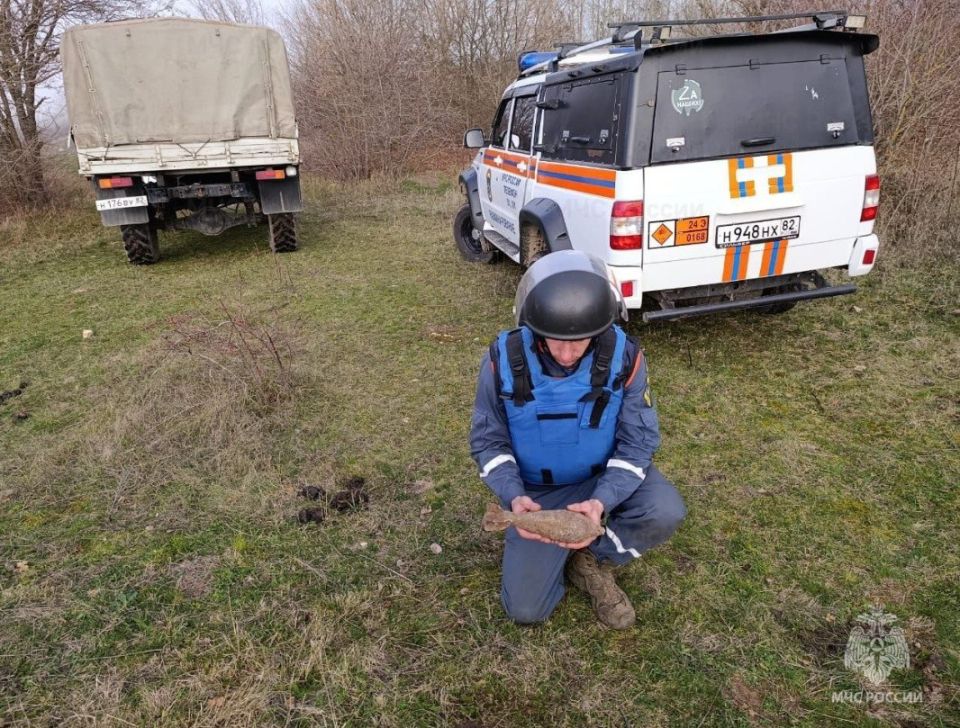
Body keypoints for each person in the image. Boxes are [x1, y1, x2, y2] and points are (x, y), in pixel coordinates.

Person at [469, 251, 686, 629]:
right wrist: (513, 497)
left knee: (665, 509)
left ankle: (594, 558)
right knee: (525, 610)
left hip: (602, 478)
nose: (567, 353)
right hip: (536, 495)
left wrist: (603, 499)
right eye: (554, 340)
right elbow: (488, 442)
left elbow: (638, 442)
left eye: (579, 341)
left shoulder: (625, 356)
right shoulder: (501, 359)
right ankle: (550, 549)